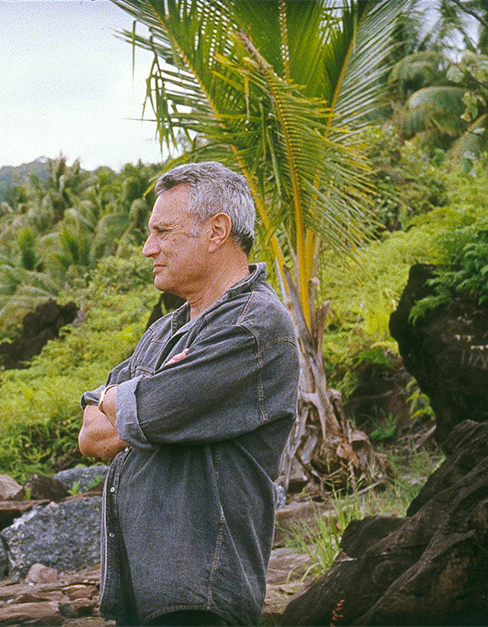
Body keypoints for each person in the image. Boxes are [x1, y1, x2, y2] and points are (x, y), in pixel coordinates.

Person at [78, 161, 299, 626]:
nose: (147, 248)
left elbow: (149, 412)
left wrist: (126, 399)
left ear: (217, 230)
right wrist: (135, 401)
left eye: (163, 231)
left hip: (201, 594)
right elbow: (91, 436)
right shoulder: (165, 331)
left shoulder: (253, 326)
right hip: (144, 591)